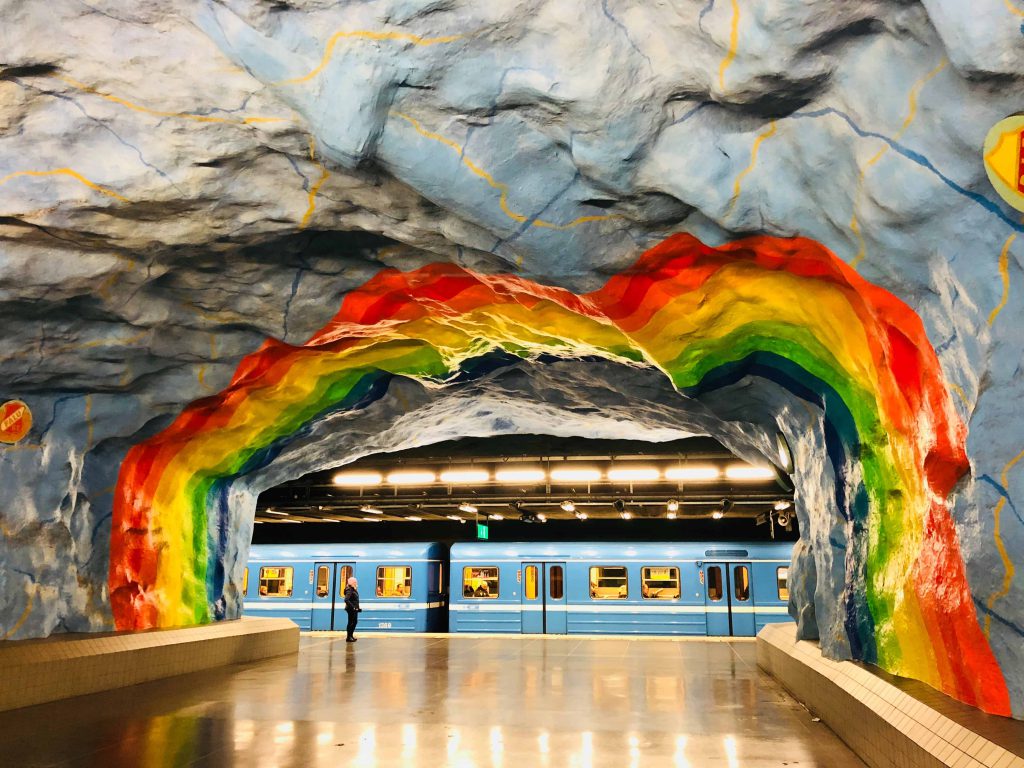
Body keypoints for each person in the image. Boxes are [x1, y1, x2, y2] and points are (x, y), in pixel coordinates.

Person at [343, 576, 361, 642]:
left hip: (354, 609)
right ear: (352, 583)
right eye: (355, 582)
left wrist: (357, 608)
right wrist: (353, 607)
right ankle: (349, 637)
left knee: (354, 622)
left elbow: (354, 599)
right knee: (351, 622)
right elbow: (346, 599)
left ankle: (351, 636)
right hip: (351, 609)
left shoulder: (352, 589)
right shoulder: (349, 589)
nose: (356, 583)